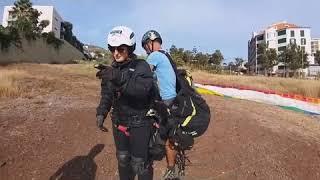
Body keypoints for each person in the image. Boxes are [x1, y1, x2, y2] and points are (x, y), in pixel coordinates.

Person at [96, 26, 155, 180]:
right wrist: (102, 112)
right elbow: (107, 94)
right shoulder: (111, 69)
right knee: (122, 159)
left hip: (140, 122)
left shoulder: (141, 66)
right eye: (112, 49)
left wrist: (118, 77)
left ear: (129, 49)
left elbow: (142, 90)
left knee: (139, 163)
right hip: (119, 122)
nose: (115, 53)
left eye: (120, 49)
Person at [141, 30, 180, 180]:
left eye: (145, 47)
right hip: (173, 101)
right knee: (170, 136)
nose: (145, 50)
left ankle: (147, 157)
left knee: (148, 126)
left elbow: (141, 73)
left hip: (165, 102)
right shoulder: (166, 55)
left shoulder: (154, 56)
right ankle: (172, 169)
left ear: (150, 43)